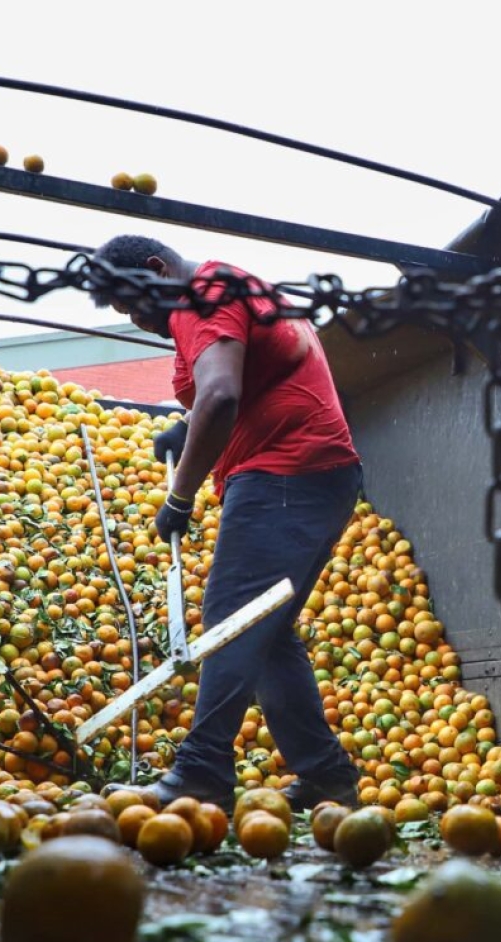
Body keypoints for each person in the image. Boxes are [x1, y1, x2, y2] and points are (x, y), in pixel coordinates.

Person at [89, 235, 362, 812]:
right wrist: (185, 431)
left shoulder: (201, 295)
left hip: (289, 472)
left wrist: (180, 496)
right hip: (310, 475)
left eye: (136, 306)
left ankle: (201, 770)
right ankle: (326, 774)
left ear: (158, 270)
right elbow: (245, 384)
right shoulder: (227, 286)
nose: (140, 322)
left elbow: (219, 397)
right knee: (262, 629)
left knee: (231, 620)